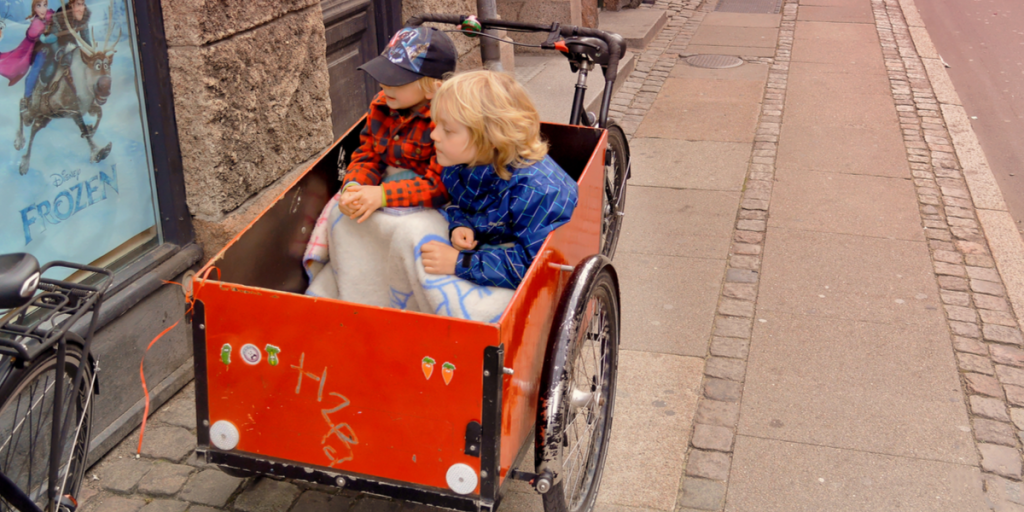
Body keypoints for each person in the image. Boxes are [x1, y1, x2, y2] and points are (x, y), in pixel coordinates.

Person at [302, 26, 457, 308]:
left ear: (433, 86)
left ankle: (404, 301)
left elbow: (440, 186)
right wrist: (354, 185)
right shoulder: (382, 105)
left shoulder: (446, 119)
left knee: (409, 235)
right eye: (383, 77)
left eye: (396, 81)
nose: (384, 87)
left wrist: (382, 195)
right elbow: (368, 155)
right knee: (342, 214)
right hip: (388, 187)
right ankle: (357, 295)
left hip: (432, 200)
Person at [420, 70, 579, 290]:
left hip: (526, 261)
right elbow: (460, 204)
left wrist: (461, 263)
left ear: (492, 139)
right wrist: (461, 224)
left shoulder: (537, 190)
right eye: (436, 124)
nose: (434, 135)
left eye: (447, 129)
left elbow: (535, 265)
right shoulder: (457, 165)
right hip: (494, 246)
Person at [0, 0, 53, 111]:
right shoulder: (36, 24)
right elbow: (33, 35)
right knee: (35, 71)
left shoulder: (50, 16)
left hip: (54, 48)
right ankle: (27, 98)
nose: (43, 9)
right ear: (34, 8)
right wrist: (43, 35)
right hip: (39, 51)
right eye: (39, 6)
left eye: (45, 5)